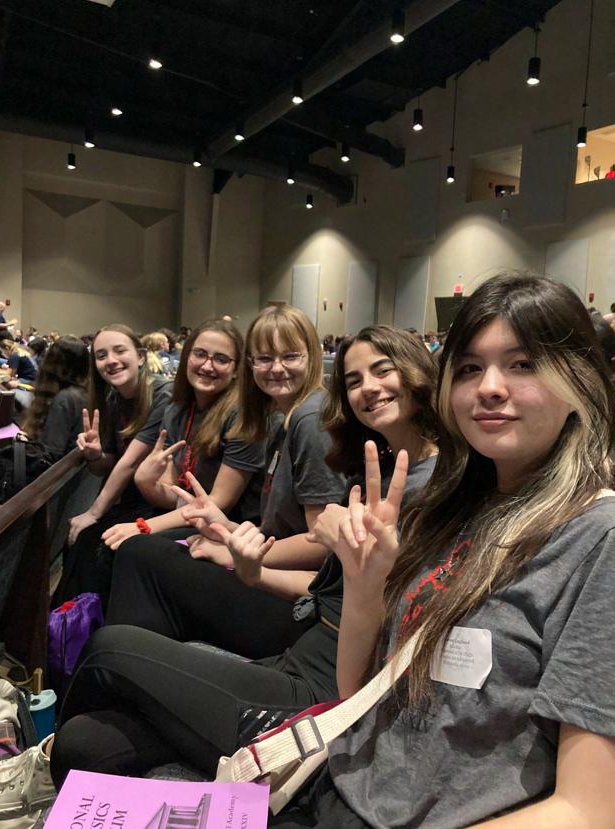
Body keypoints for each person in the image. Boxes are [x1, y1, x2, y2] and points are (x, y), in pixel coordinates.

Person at [258, 271, 615, 828]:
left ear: (582, 381)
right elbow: (360, 694)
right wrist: (364, 582)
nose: (489, 387)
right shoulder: (450, 507)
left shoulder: (597, 539)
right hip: (343, 785)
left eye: (522, 364)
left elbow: (588, 809)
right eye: (469, 368)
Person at [37, 322, 439, 800]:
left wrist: (324, 554)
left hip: (321, 691)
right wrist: (251, 566)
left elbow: (381, 612)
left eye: (382, 371)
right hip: (297, 654)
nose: (368, 388)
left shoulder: (432, 483)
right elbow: (325, 589)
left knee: (111, 644)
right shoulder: (380, 465)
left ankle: (43, 741)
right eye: (354, 380)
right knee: (81, 744)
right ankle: (54, 755)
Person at [104, 303, 347, 654]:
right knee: (140, 556)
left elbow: (323, 543)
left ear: (313, 357)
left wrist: (232, 553)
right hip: (271, 570)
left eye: (290, 356)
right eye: (264, 359)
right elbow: (278, 528)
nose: (276, 368)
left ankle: (124, 665)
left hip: (300, 605)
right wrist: (226, 529)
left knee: (138, 555)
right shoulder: (283, 419)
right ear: (251, 366)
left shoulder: (310, 421)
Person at [101, 319, 265, 547]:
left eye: (221, 359)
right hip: (191, 517)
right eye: (200, 354)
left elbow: (219, 504)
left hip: (230, 529)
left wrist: (143, 527)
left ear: (237, 370)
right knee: (95, 536)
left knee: (130, 547)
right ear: (187, 357)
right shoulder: (177, 410)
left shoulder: (243, 416)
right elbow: (173, 496)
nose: (207, 366)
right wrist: (146, 482)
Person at [52, 324, 172, 606]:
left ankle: (91, 622)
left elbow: (130, 463)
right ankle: (69, 622)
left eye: (120, 351)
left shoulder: (163, 394)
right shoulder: (112, 398)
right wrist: (94, 454)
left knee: (97, 547)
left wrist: (93, 512)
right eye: (101, 355)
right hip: (131, 500)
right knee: (78, 541)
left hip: (161, 502)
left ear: (140, 356)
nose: (111, 361)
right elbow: (104, 467)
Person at [21, 336, 90, 459]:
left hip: (53, 467)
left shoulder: (65, 398)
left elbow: (51, 453)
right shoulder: (86, 392)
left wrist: (24, 443)